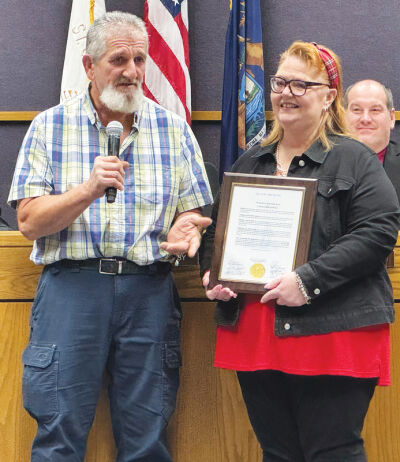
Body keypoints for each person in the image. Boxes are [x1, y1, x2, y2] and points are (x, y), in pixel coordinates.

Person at [8, 11, 212, 462]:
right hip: (72, 290)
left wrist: (186, 227)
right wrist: (86, 190)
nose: (132, 71)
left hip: (149, 291)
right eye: (119, 59)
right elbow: (28, 222)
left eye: (140, 59)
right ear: (89, 66)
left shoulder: (172, 129)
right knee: (58, 433)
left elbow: (194, 211)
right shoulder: (49, 126)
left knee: (147, 437)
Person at [200, 41, 400, 462]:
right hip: (257, 332)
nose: (286, 93)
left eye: (301, 84)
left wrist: (307, 281)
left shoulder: (356, 159)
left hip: (333, 330)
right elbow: (218, 233)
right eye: (280, 82)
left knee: (332, 452)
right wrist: (214, 276)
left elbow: (377, 232)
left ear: (329, 96)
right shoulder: (248, 162)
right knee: (278, 453)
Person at [344, 79, 400, 199]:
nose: (365, 119)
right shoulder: (320, 163)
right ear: (343, 117)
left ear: (391, 118)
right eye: (357, 110)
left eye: (375, 110)